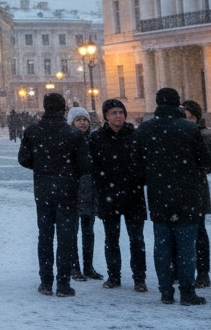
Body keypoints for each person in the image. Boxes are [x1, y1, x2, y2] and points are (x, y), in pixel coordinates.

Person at [135, 88, 210, 306]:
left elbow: (136, 163)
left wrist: (151, 177)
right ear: (177, 104)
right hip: (188, 194)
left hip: (159, 194)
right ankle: (187, 291)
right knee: (186, 246)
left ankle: (166, 291)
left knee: (162, 245)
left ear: (157, 103)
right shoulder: (189, 128)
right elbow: (205, 159)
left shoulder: (146, 129)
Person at [18, 92, 91, 297]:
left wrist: (41, 167)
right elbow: (85, 165)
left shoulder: (33, 131)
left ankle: (45, 281)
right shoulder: (73, 134)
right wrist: (70, 171)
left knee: (45, 235)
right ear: (64, 108)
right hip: (67, 189)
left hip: (43, 189)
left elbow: (23, 159)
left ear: (44, 107)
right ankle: (63, 283)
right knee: (66, 237)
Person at [89, 98, 147, 292]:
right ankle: (114, 276)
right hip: (109, 194)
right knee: (111, 238)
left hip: (133, 194)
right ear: (106, 116)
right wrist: (102, 182)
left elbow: (144, 162)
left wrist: (138, 179)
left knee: (136, 239)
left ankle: (139, 278)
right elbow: (92, 165)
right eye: (114, 113)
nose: (118, 116)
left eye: (121, 112)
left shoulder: (135, 135)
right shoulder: (97, 138)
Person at [181, 100, 211, 288]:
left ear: (196, 117)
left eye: (189, 118)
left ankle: (203, 273)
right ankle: (179, 269)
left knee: (198, 232)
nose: (186, 121)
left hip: (196, 189)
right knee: (178, 232)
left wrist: (194, 170)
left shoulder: (204, 135)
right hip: (178, 190)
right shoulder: (179, 133)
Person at [67, 107, 103, 282]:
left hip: (90, 190)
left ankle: (88, 266)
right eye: (78, 119)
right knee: (72, 231)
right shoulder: (67, 140)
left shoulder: (94, 139)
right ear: (72, 122)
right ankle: (74, 267)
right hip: (73, 190)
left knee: (88, 231)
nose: (82, 123)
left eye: (85, 119)